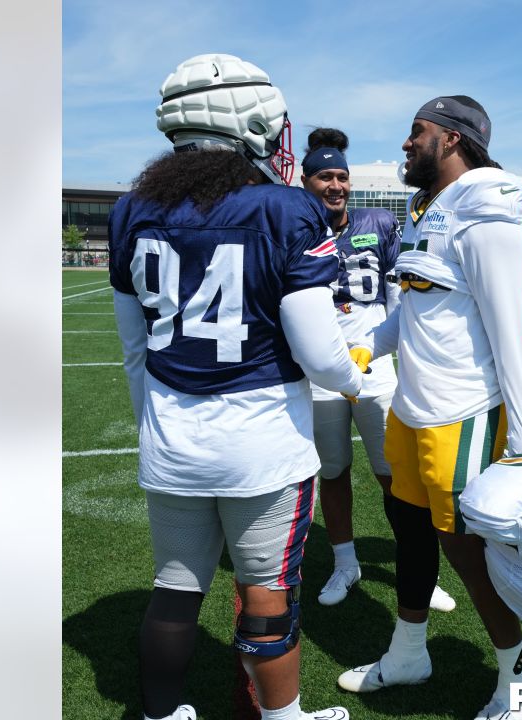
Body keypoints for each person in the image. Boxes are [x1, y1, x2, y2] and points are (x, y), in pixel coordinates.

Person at [109, 53, 360, 720]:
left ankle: (163, 713)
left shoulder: (132, 209)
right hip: (261, 442)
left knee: (175, 588)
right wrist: (356, 379)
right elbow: (319, 350)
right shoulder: (286, 208)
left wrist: (152, 428)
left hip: (170, 439)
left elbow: (135, 349)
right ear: (247, 120)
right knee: (269, 589)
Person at [337, 95, 522, 720]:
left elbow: (510, 331)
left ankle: (521, 675)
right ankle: (408, 652)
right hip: (411, 409)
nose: (405, 144)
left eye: (416, 132)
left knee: (467, 552)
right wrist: (361, 351)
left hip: (463, 415)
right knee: (408, 530)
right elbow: (414, 309)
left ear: (452, 139)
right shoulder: (435, 208)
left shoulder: (486, 208)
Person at [299, 129, 459, 613]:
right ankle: (345, 563)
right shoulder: (295, 228)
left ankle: (416, 571)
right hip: (320, 376)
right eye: (325, 177)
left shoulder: (377, 223)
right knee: (334, 472)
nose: (336, 185)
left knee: (397, 477)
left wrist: (400, 354)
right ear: (305, 182)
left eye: (342, 177)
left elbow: (399, 296)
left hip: (376, 369)